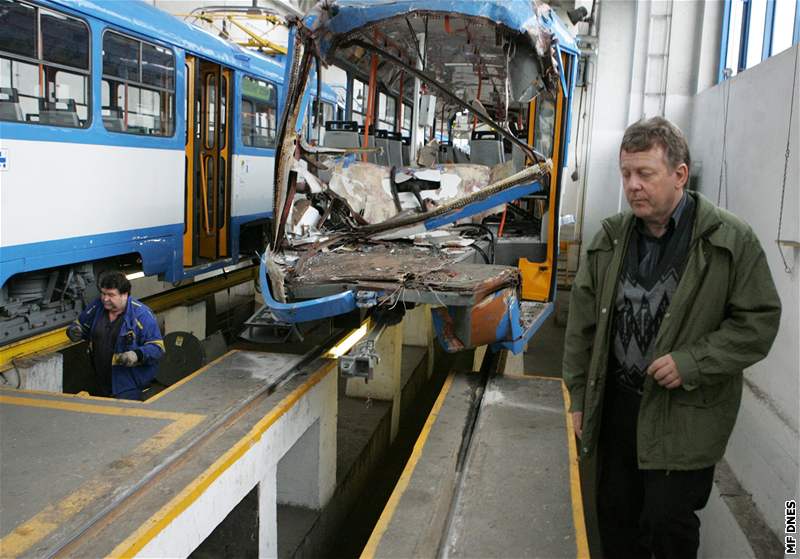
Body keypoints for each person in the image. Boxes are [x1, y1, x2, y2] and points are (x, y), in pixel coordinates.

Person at [562, 117, 781, 558]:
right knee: (615, 515)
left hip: (684, 414)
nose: (633, 186)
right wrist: (580, 398)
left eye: (645, 174)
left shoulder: (729, 241)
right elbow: (582, 326)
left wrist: (693, 362)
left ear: (679, 175)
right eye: (626, 174)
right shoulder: (610, 240)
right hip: (620, 408)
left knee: (667, 525)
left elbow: (758, 322)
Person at [66, 271, 164, 400]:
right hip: (99, 379)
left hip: (128, 384)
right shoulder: (97, 306)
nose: (105, 299)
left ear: (124, 295)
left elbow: (157, 348)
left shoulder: (142, 315)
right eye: (103, 293)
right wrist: (74, 330)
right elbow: (81, 324)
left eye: (111, 295)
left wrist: (136, 355)